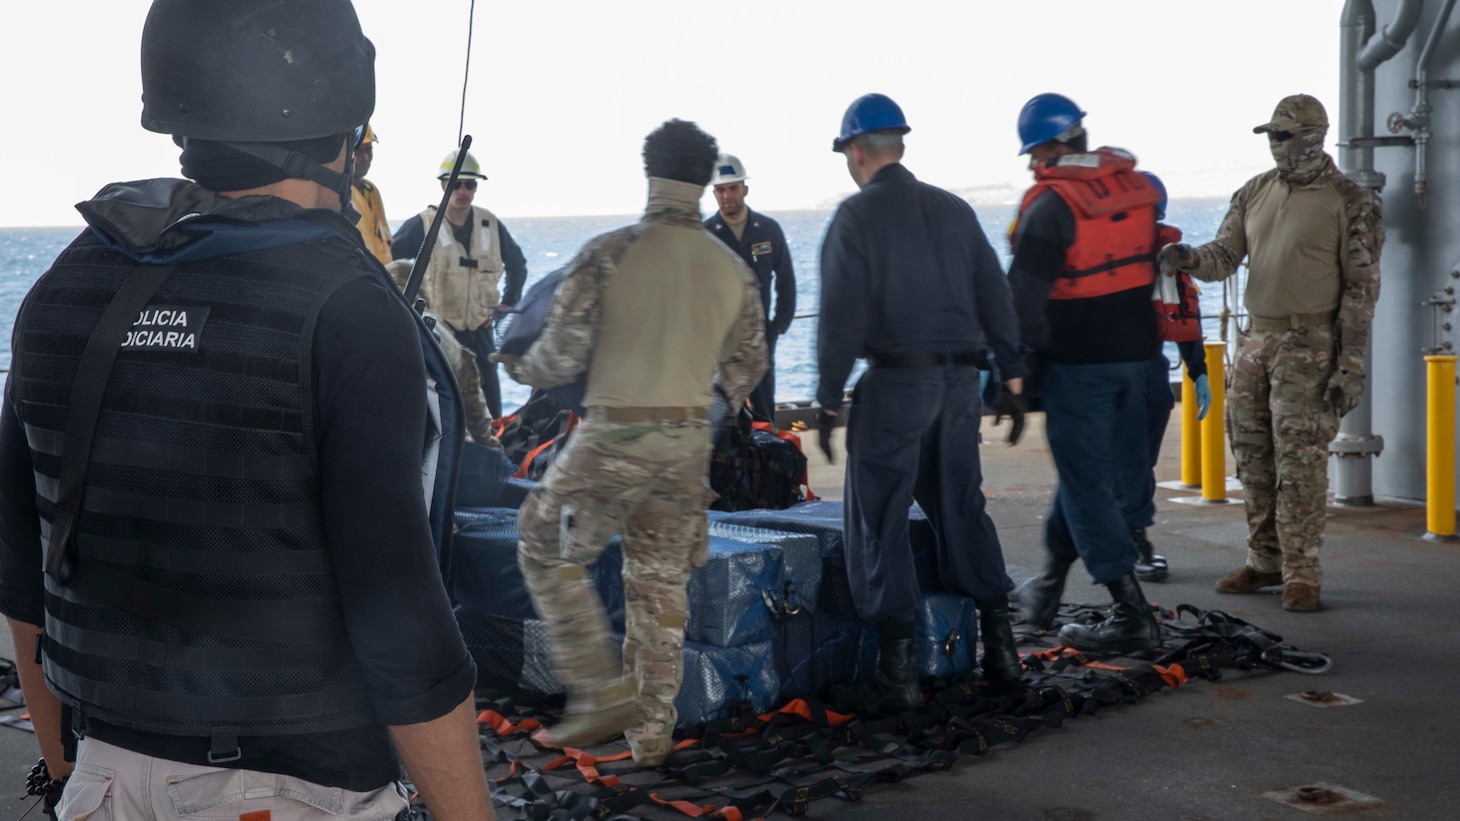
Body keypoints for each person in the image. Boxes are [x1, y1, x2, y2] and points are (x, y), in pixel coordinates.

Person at [0, 2, 493, 819]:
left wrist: (67, 771)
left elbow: (23, 571)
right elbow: (403, 629)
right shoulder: (347, 306)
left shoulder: (64, 284)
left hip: (100, 781)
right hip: (294, 788)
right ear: (347, 135)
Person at [494, 119, 766, 766]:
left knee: (540, 542)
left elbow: (558, 356)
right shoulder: (732, 269)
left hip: (617, 432)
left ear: (650, 173)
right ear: (703, 182)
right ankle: (650, 738)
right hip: (687, 440)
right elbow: (747, 364)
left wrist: (514, 364)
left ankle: (598, 691)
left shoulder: (610, 252)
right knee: (658, 585)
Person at [816, 93, 1028, 710]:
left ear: (855, 152)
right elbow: (996, 294)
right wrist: (1011, 376)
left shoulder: (855, 218)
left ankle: (899, 676)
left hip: (895, 386)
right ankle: (1003, 653)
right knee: (961, 506)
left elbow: (840, 318)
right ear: (898, 144)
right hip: (961, 387)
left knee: (877, 521)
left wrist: (829, 401)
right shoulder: (955, 211)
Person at [1158, 94, 1383, 612]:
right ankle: (1264, 561)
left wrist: (1350, 364)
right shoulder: (1254, 192)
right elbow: (1223, 257)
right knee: (1253, 456)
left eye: (1282, 135)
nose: (1274, 145)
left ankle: (1303, 573)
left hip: (1311, 345)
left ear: (1311, 136)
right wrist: (1188, 258)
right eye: (1271, 136)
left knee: (1300, 463)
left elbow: (1361, 290)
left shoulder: (1351, 201)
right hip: (1256, 342)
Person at [1007, 92, 1164, 654]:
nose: (1031, 164)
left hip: (1083, 374)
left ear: (1052, 145)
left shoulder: (1050, 207)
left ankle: (1131, 614)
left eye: (1033, 152)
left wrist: (1010, 372)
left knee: (1086, 487)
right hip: (1145, 368)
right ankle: (1047, 588)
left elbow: (1020, 305)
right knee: (1088, 483)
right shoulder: (1137, 194)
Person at [1117, 171, 1213, 583]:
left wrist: (1199, 371)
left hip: (1151, 374)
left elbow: (1182, 314)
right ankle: (1131, 540)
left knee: (1141, 463)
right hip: (1109, 372)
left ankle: (1126, 535)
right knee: (1129, 463)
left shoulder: (1165, 259)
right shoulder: (1101, 255)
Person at [393, 149, 529, 419]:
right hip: (441, 335)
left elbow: (518, 265)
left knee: (491, 412)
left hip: (481, 335)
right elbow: (388, 262)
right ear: (444, 185)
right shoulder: (422, 225)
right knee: (443, 411)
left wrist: (506, 304)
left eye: (470, 184)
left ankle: (492, 455)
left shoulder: (490, 224)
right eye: (456, 184)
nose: (463, 190)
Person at [704, 154, 795, 420]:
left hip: (760, 341)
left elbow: (787, 283)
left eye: (733, 188)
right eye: (720, 190)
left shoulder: (768, 230)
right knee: (721, 419)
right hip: (720, 344)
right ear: (714, 193)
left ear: (745, 188)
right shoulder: (705, 235)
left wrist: (777, 327)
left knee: (764, 416)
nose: (727, 196)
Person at [387, 260, 499, 445]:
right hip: (427, 437)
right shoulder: (440, 329)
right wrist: (485, 438)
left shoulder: (368, 320)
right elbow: (470, 392)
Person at [351, 123, 394, 265]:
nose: (365, 157)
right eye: (359, 151)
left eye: (368, 150)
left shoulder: (371, 191)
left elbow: (383, 238)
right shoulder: (340, 192)